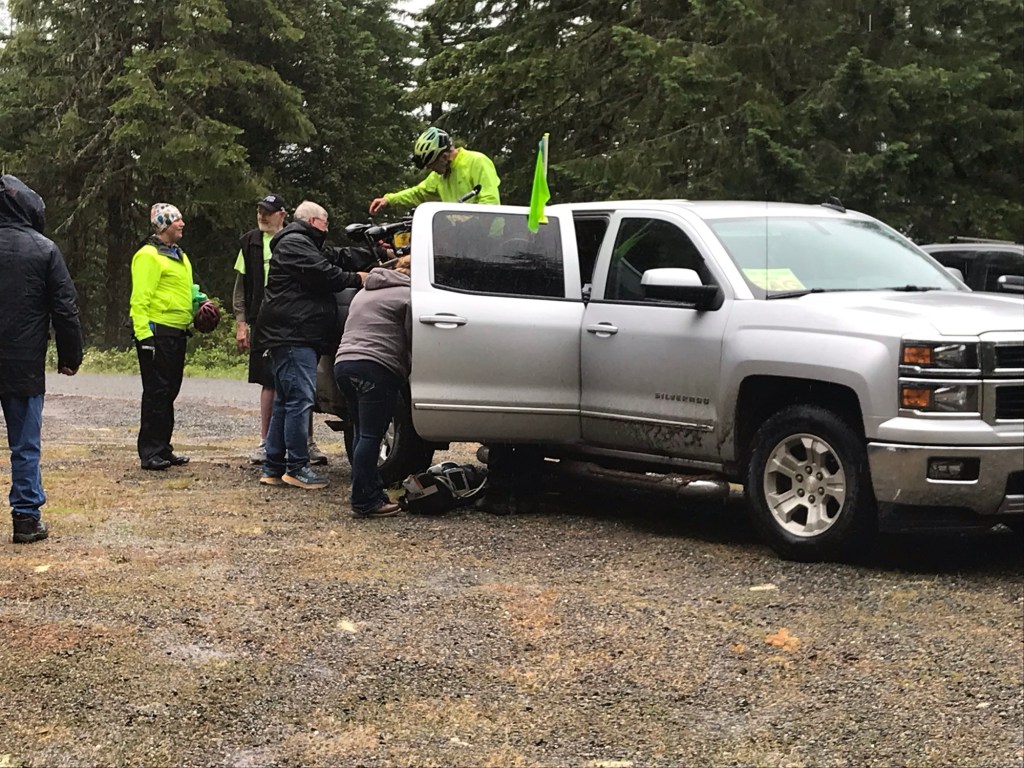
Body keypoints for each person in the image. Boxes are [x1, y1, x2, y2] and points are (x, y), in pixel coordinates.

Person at [253, 201, 367, 490]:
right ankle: (297, 467)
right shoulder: (296, 244)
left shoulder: (303, 243)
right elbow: (325, 273)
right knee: (299, 400)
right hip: (294, 334)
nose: (327, 228)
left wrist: (375, 252)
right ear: (314, 221)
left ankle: (273, 467)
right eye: (326, 222)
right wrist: (358, 278)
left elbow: (337, 255)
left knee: (285, 400)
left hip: (292, 333)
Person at [0, 174, 83, 543]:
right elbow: (65, 309)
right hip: (24, 362)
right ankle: (26, 518)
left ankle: (27, 514)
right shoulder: (44, 249)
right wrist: (70, 356)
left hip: (23, 360)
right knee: (25, 444)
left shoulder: (44, 248)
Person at [231, 194, 328, 467]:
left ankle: (307, 442)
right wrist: (241, 323)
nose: (262, 216)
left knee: (300, 385)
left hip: (296, 319)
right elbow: (240, 289)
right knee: (270, 382)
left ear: (283, 214)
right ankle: (266, 444)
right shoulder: (250, 242)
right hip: (263, 320)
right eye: (259, 211)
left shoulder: (301, 238)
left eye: (268, 212)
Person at [129, 203, 213, 471]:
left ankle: (163, 448)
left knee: (169, 392)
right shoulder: (148, 256)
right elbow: (139, 299)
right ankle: (150, 452)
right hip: (156, 332)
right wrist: (144, 336)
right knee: (156, 392)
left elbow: (187, 288)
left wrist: (201, 300)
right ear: (164, 225)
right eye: (177, 220)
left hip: (177, 332)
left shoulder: (179, 255)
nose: (182, 224)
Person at [334, 256, 412, 518]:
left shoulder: (365, 292)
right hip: (376, 367)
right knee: (370, 436)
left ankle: (370, 491)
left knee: (361, 432)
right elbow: (414, 338)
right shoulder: (407, 295)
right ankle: (364, 501)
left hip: (344, 365)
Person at [368, 128, 501, 214]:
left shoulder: (477, 161)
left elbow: (489, 202)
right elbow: (418, 193)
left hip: (490, 239)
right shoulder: (439, 177)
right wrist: (389, 200)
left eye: (431, 165)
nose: (430, 169)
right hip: (462, 239)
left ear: (444, 157)